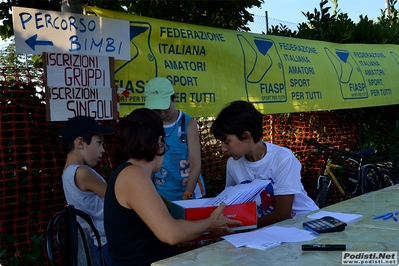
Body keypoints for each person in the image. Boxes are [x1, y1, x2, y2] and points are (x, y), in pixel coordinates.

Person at [104, 108, 241, 266]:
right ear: (160, 143)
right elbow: (171, 233)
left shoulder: (133, 173)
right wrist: (211, 223)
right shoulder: (134, 175)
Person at [211, 100, 318, 228]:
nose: (223, 149)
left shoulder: (283, 158)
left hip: (305, 223)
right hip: (268, 230)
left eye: (227, 142)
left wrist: (242, 228)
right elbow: (230, 202)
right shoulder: (233, 164)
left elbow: (283, 214)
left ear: (246, 136)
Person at [60, 115, 115, 266]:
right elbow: (117, 199)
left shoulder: (68, 173)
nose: (103, 150)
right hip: (109, 244)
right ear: (80, 143)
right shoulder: (82, 172)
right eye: (99, 143)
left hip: (102, 244)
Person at [144, 77, 205, 201]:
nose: (161, 114)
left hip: (190, 193)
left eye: (165, 107)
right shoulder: (149, 125)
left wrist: (187, 194)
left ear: (174, 97)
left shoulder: (188, 123)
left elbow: (196, 164)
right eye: (156, 109)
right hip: (162, 195)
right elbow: (149, 163)